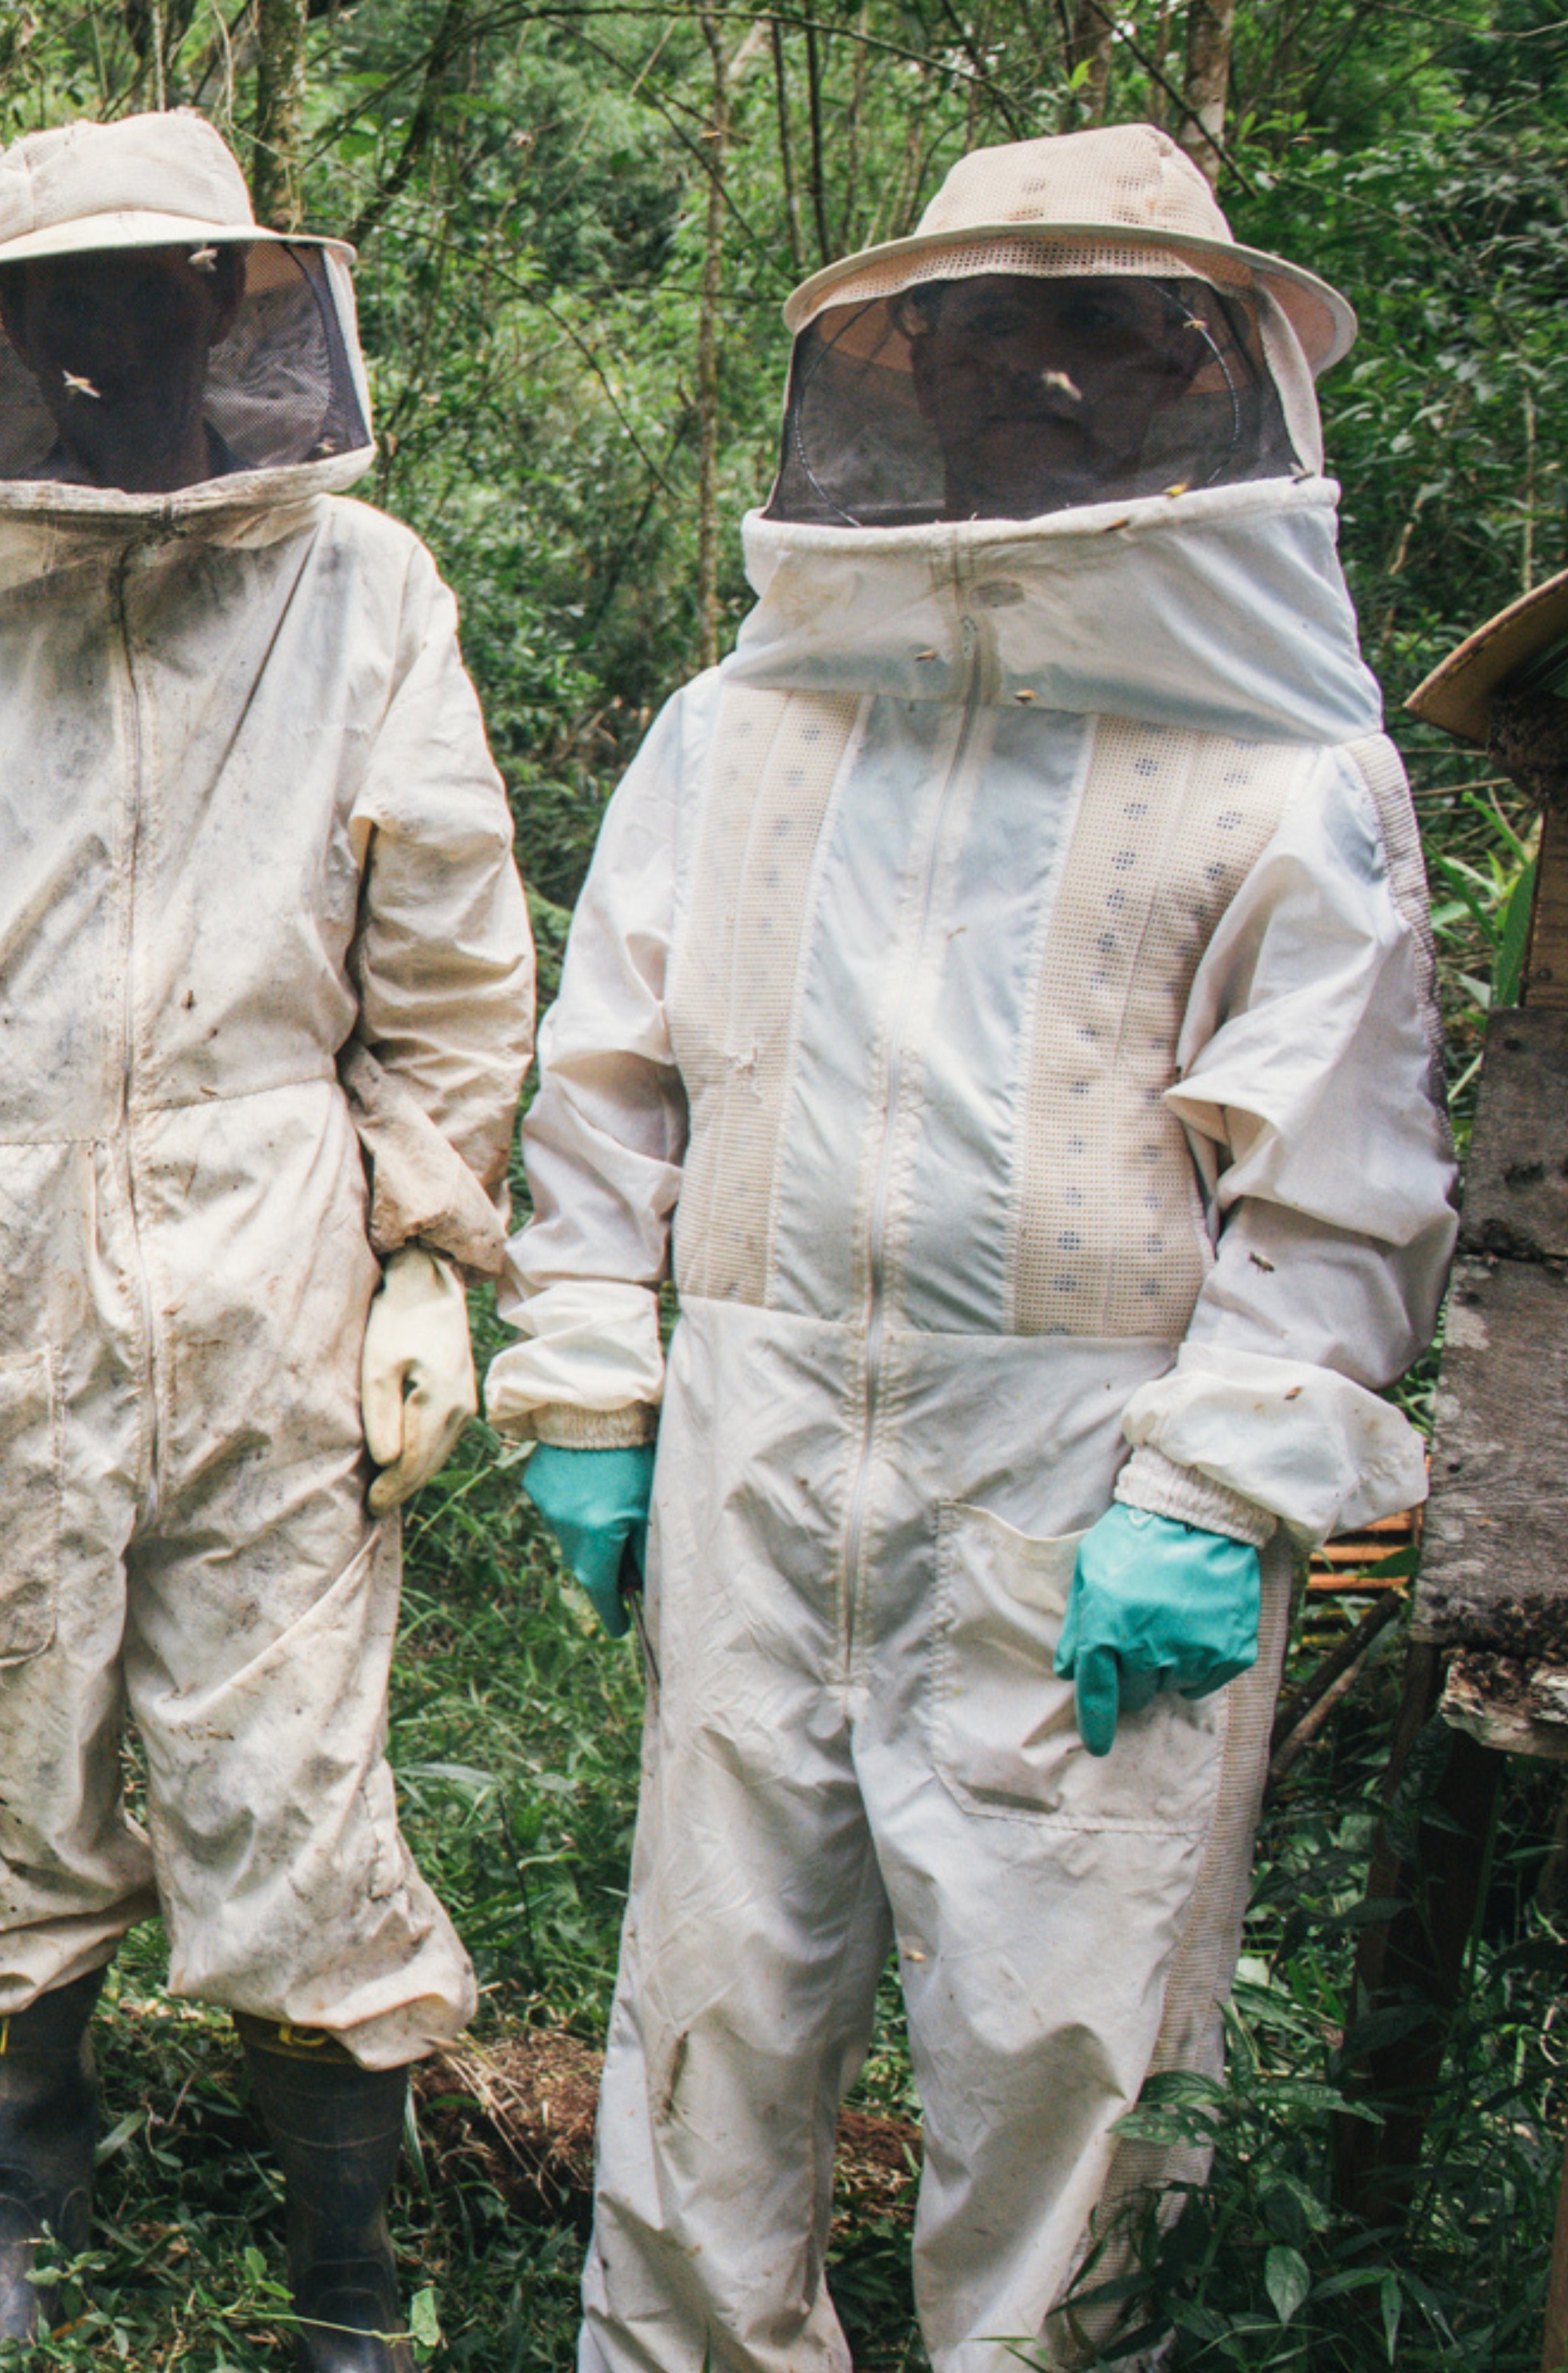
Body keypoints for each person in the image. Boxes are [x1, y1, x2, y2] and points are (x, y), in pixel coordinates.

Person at [487, 124, 1448, 2372]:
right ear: (901, 365)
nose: (1044, 380)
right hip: (752, 1426)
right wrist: (590, 1373)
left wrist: (1211, 1493)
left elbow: (1327, 1193)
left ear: (1206, 376)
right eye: (994, 329)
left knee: (1066, 2029)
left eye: (1101, 332)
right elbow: (606, 1074)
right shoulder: (734, 731)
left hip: (1082, 1473)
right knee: (714, 1991)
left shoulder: (1290, 775)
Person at [0, 110, 533, 2372]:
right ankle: (14, 2237)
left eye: (147, 288)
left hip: (274, 1253)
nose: (104, 330)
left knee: (290, 1756)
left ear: (224, 305)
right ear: (7, 324)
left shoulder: (367, 589)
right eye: (60, 295)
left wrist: (435, 1260)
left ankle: (347, 2294)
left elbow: (444, 970)